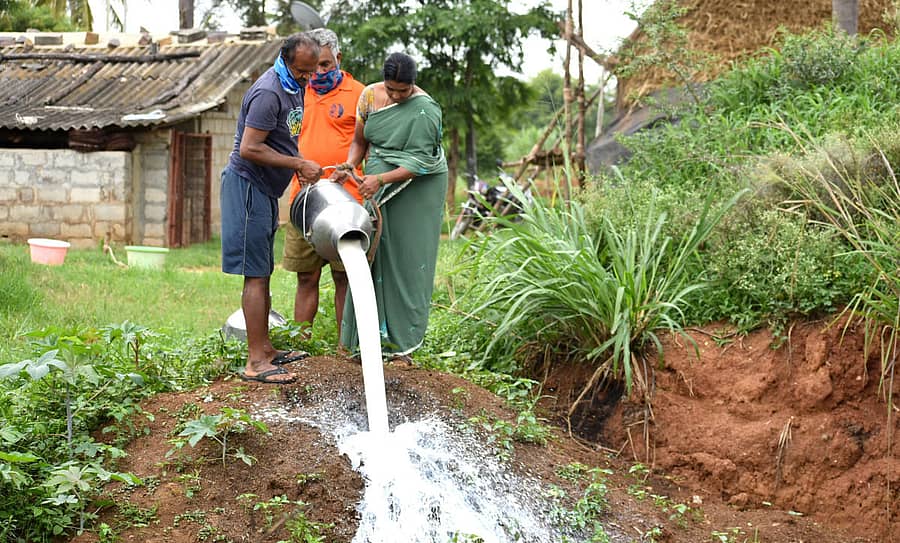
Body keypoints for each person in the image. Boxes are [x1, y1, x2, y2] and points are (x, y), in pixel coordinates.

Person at [221, 33, 323, 384]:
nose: (308, 78)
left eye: (312, 72)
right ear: (286, 60)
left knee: (263, 270)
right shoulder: (269, 91)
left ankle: (265, 349)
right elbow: (250, 148)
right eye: (303, 71)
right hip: (247, 186)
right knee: (255, 272)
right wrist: (297, 163)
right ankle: (255, 362)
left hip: (264, 190)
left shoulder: (293, 83)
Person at [333, 52, 448, 362]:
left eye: (404, 91)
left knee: (406, 258)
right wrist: (349, 164)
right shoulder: (369, 96)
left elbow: (424, 161)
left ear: (413, 85)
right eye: (392, 89)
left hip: (415, 187)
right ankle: (363, 340)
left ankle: (401, 343)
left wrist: (380, 179)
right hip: (377, 179)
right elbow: (360, 141)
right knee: (373, 252)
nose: (397, 96)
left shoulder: (425, 109)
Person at [283, 28, 365, 340]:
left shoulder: (360, 95)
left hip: (348, 202)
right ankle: (301, 346)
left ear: (338, 59)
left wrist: (351, 167)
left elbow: (367, 143)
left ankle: (346, 348)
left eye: (326, 65)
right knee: (306, 276)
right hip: (304, 202)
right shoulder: (294, 91)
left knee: (346, 277)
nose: (318, 72)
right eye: (314, 65)